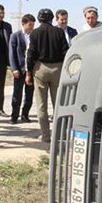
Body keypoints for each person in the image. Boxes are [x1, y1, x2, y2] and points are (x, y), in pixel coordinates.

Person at [26, 8, 69, 143]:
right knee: (58, 104)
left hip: (41, 69)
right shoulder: (59, 32)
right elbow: (66, 51)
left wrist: (28, 72)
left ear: (39, 19)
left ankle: (45, 135)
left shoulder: (35, 34)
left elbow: (30, 55)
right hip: (58, 69)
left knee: (41, 104)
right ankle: (60, 135)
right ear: (52, 19)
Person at [9, 14, 36, 124]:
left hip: (30, 70)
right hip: (19, 70)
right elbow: (12, 54)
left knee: (29, 95)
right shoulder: (15, 36)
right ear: (23, 24)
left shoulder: (34, 36)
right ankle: (14, 116)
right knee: (17, 94)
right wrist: (14, 68)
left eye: (33, 25)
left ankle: (25, 115)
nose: (32, 27)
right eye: (30, 24)